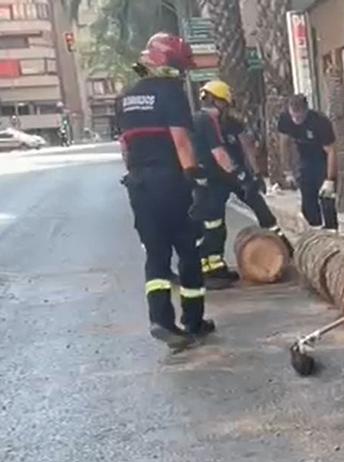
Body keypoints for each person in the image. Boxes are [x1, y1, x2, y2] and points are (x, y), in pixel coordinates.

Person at [115, 32, 213, 350]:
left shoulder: (126, 96)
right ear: (168, 62)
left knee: (156, 254)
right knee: (188, 249)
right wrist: (195, 179)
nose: (182, 72)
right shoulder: (170, 93)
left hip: (139, 185)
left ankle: (160, 320)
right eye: (179, 65)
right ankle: (194, 321)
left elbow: (125, 147)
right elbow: (181, 141)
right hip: (170, 182)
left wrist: (135, 176)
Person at [191, 79, 280, 288]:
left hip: (223, 176)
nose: (225, 108)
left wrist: (253, 175)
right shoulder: (205, 120)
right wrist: (241, 176)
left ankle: (217, 266)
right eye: (224, 103)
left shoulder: (222, 121)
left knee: (254, 210)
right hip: (212, 179)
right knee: (211, 224)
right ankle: (207, 270)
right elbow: (219, 154)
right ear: (218, 101)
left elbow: (244, 145)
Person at [276, 94, 338, 230]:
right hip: (305, 158)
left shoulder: (320, 122)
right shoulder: (285, 119)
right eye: (293, 116)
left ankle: (331, 230)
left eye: (299, 116)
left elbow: (331, 152)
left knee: (326, 199)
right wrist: (288, 171)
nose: (296, 120)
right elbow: (284, 144)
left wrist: (330, 179)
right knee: (307, 197)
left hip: (322, 159)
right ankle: (313, 228)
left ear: (306, 111)